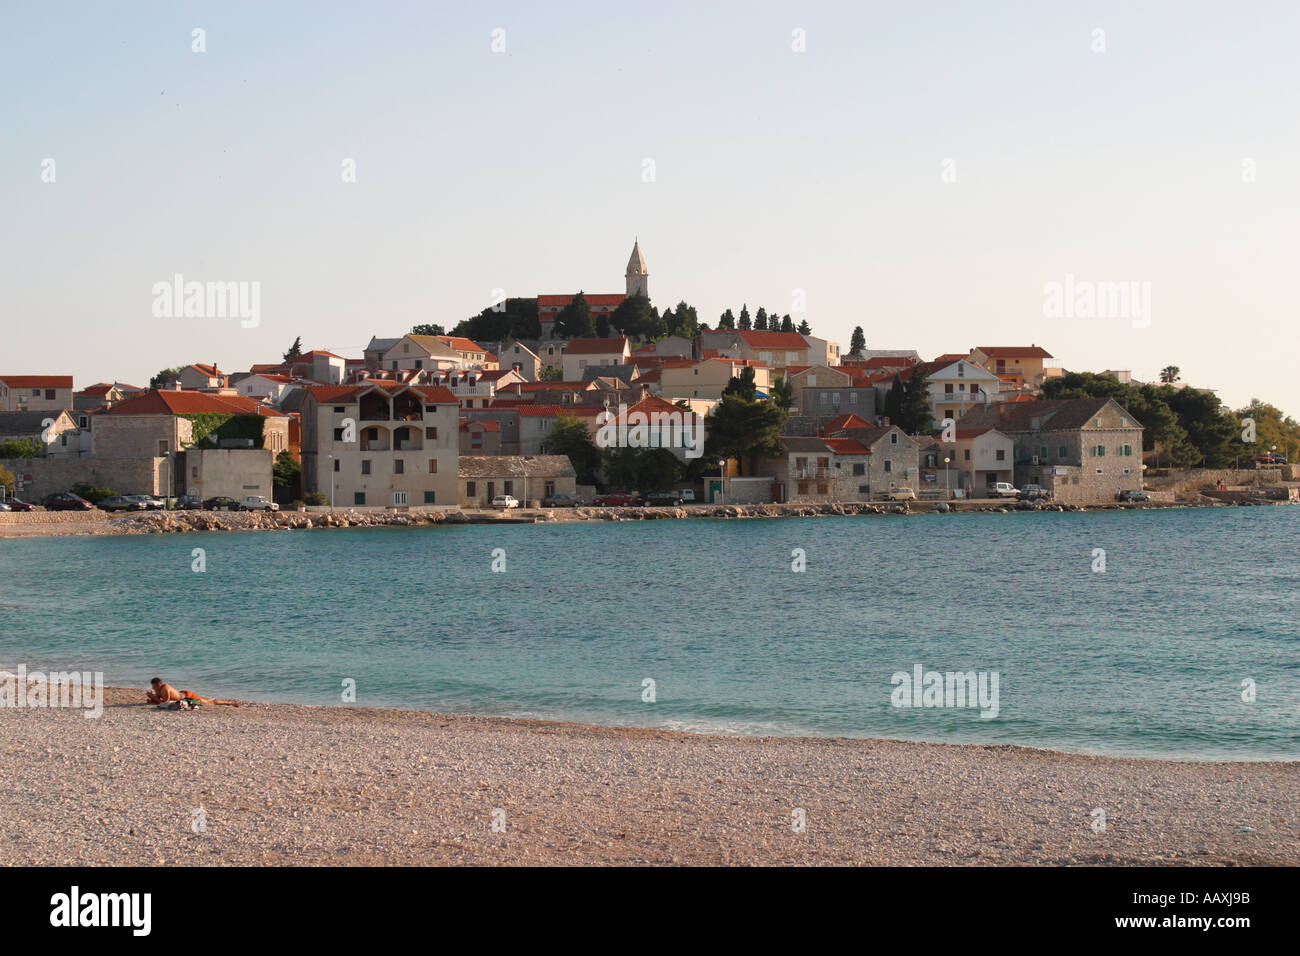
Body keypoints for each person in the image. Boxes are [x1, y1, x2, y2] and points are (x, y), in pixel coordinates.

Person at [146, 677, 240, 707]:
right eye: (152, 687)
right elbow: (161, 700)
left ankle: (229, 702)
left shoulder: (165, 688)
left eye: (154, 686)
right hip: (183, 696)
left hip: (188, 697)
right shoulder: (158, 690)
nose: (153, 688)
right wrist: (152, 696)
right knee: (204, 700)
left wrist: (153, 697)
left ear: (158, 684)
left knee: (208, 703)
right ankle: (211, 699)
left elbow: (165, 701)